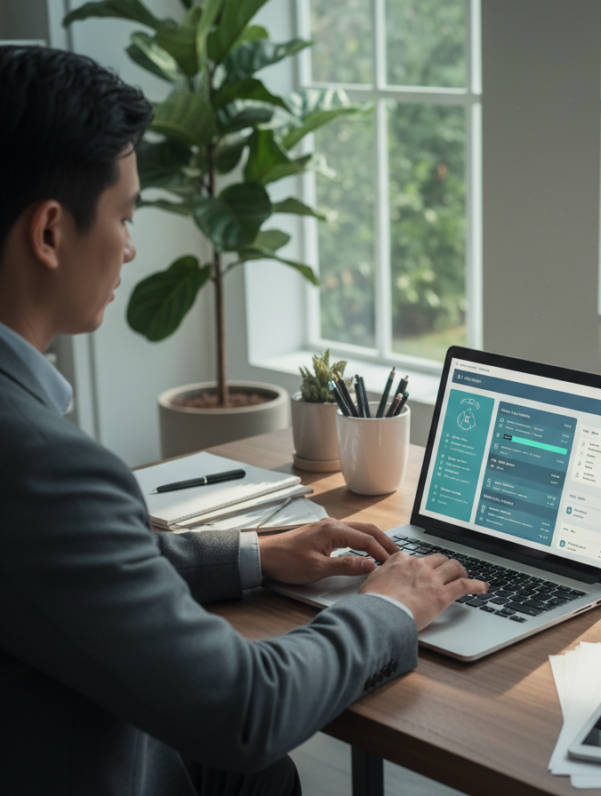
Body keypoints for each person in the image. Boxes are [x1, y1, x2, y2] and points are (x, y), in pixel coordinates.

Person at [0, 45, 486, 796]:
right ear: (49, 233)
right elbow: (247, 708)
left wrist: (261, 555)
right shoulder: (42, 464)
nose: (130, 248)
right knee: (258, 762)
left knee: (263, 783)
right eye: (126, 216)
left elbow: (55, 570)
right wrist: (389, 606)